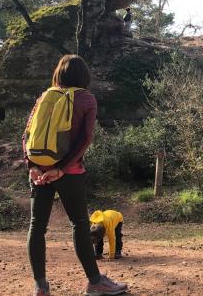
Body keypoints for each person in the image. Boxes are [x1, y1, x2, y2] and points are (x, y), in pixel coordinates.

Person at [23, 54, 128, 296]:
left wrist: (32, 166)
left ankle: (40, 286)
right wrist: (61, 168)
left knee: (36, 226)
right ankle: (95, 282)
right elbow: (85, 138)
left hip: (39, 169)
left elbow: (27, 134)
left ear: (59, 73)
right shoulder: (86, 98)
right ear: (84, 76)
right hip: (69, 172)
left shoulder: (44, 97)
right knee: (80, 223)